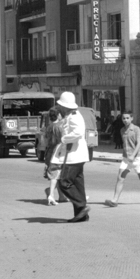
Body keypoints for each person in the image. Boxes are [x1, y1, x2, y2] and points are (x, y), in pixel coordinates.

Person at [50, 91, 91, 223]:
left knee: (64, 183)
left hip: (74, 155)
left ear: (65, 106)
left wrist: (63, 139)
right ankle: (81, 215)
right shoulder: (69, 115)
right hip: (77, 155)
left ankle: (81, 205)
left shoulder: (74, 116)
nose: (59, 107)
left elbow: (78, 133)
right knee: (78, 185)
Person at [105, 111, 140, 207]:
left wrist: (133, 155)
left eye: (127, 118)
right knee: (120, 178)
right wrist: (127, 156)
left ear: (132, 118)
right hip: (126, 158)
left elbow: (139, 143)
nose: (125, 120)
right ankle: (115, 200)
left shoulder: (136, 129)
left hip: (137, 158)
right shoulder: (122, 130)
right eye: (124, 118)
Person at [43, 107, 66, 206]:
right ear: (58, 115)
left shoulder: (48, 127)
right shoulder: (60, 127)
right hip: (58, 153)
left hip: (49, 152)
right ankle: (50, 193)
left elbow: (45, 141)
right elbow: (63, 140)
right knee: (57, 175)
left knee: (58, 175)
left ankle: (61, 196)